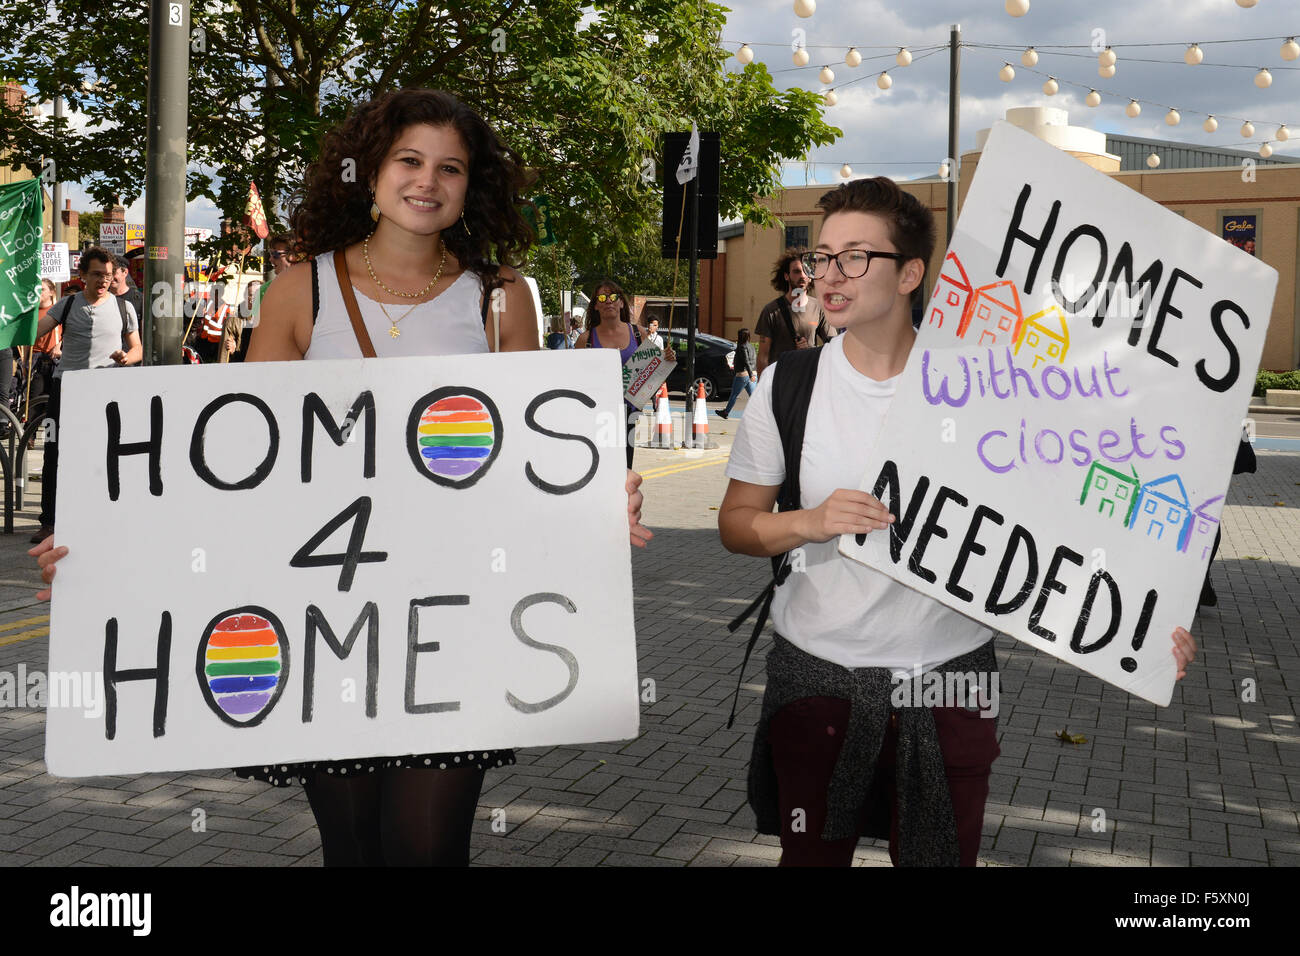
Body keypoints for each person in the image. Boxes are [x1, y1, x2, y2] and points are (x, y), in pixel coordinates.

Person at [32, 88, 655, 868]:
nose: (427, 181)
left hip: (455, 618)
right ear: (370, 172)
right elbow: (231, 473)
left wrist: (596, 499)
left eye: (450, 168)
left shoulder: (504, 302)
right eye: (409, 160)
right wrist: (105, 548)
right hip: (326, 621)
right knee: (353, 852)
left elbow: (534, 466)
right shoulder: (302, 290)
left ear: (472, 186)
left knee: (428, 850)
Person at [717, 177, 1198, 867]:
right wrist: (809, 521)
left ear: (910, 273)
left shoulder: (991, 387)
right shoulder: (787, 386)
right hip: (817, 681)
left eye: (856, 257)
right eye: (822, 257)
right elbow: (738, 524)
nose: (830, 274)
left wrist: (1149, 627)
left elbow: (1078, 515)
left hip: (949, 685)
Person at [28, 247, 142, 544]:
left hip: (105, 392)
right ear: (83, 275)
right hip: (65, 389)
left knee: (104, 452)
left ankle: (101, 514)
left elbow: (137, 349)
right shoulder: (67, 304)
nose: (104, 280)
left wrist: (126, 358)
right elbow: (36, 331)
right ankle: (49, 522)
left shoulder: (123, 308)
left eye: (108, 275)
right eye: (96, 275)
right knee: (53, 452)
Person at [575, 280, 673, 468]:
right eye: (602, 298)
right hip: (595, 415)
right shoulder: (585, 339)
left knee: (624, 468)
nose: (608, 301)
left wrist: (666, 359)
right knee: (597, 468)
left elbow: (653, 373)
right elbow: (575, 381)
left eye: (613, 297)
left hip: (628, 414)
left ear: (621, 303)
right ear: (595, 305)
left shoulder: (638, 333)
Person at [754, 246, 834, 378]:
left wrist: (810, 350)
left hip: (808, 381)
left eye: (805, 271)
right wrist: (763, 388)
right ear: (786, 276)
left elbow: (832, 346)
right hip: (781, 381)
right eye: (796, 272)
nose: (802, 276)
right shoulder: (771, 311)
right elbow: (763, 356)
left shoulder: (819, 308)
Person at [717, 327, 755, 420]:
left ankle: (726, 412)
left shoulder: (742, 347)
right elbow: (752, 360)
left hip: (743, 374)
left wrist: (750, 374)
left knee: (734, 394)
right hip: (752, 373)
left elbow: (746, 361)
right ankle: (760, 414)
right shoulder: (751, 346)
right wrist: (752, 374)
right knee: (754, 396)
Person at [110, 254, 145, 321]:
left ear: (125, 272)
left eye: (114, 273)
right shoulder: (101, 298)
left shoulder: (139, 299)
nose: (110, 277)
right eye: (108, 273)